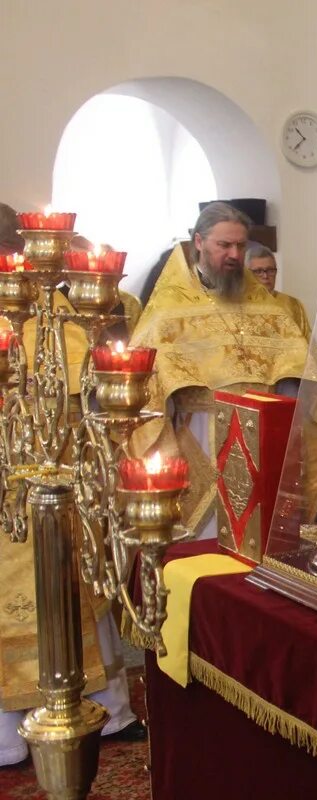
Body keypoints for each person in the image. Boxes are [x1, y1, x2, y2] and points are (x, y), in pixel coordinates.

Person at [0, 204, 142, 764]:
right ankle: (10, 733)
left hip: (67, 475)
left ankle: (106, 712)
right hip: (13, 482)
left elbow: (101, 384)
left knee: (79, 588)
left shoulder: (65, 309)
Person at [130, 202, 307, 534]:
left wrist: (292, 410)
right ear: (199, 242)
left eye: (239, 246)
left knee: (258, 533)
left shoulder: (265, 307)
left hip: (260, 435)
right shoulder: (169, 306)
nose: (234, 255)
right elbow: (147, 381)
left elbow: (293, 363)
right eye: (223, 245)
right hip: (200, 435)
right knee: (205, 535)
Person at [245, 241, 312, 339]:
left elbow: (308, 345)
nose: (265, 276)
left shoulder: (293, 305)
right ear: (247, 274)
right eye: (258, 271)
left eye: (270, 270)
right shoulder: (238, 306)